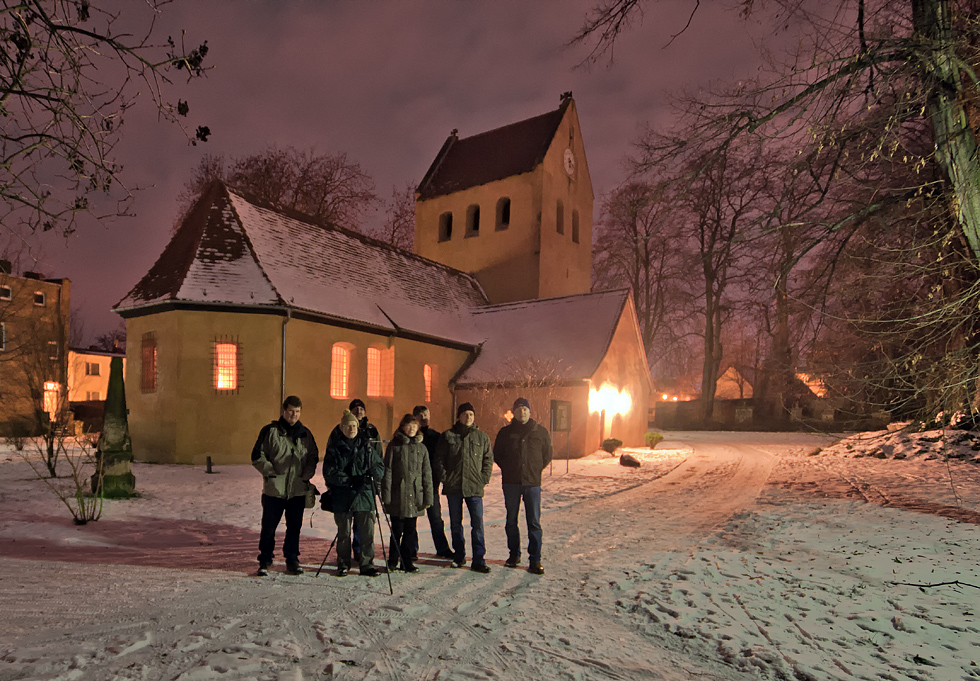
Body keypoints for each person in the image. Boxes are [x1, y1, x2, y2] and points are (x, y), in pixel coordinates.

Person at [251, 395, 319, 576]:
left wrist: (306, 475)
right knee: (269, 527)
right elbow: (257, 456)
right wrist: (270, 472)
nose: (293, 415)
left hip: (297, 490)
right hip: (275, 489)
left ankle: (292, 559)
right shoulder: (270, 431)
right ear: (283, 411)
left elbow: (312, 457)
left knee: (294, 527)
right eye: (290, 411)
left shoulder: (306, 434)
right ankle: (265, 560)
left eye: (297, 411)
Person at [493, 396, 552, 575]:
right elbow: (498, 455)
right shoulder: (505, 433)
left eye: (525, 409)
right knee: (511, 520)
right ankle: (514, 555)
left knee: (533, 522)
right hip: (511, 483)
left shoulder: (540, 432)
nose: (522, 412)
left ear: (529, 411)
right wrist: (510, 468)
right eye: (518, 410)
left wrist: (534, 469)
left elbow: (547, 454)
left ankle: (535, 559)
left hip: (532, 483)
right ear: (514, 413)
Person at [323, 409, 385, 577]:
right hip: (343, 496)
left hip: (364, 496)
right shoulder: (335, 448)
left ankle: (367, 564)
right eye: (347, 426)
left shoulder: (367, 447)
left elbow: (379, 467)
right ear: (342, 428)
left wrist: (370, 476)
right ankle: (343, 564)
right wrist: (349, 480)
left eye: (353, 425)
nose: (351, 429)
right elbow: (329, 472)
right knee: (343, 533)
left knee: (367, 533)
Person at [434, 402, 493, 573]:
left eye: (471, 414)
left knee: (477, 524)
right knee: (455, 523)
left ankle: (478, 559)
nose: (468, 417)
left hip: (474, 487)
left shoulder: (482, 437)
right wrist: (445, 478)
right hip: (454, 487)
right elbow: (439, 459)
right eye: (465, 414)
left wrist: (483, 478)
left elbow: (488, 459)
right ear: (458, 417)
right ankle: (459, 555)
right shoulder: (448, 436)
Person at [381, 413, 434, 572]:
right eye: (408, 425)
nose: (411, 429)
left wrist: (428, 496)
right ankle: (392, 560)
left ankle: (406, 561)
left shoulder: (422, 448)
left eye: (414, 426)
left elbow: (427, 474)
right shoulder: (395, 446)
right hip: (398, 494)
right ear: (402, 427)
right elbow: (388, 471)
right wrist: (387, 496)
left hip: (415, 495)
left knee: (410, 531)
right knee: (396, 530)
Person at [413, 404, 453, 560]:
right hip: (414, 483)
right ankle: (411, 549)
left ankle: (442, 548)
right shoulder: (410, 435)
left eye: (426, 415)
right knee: (411, 519)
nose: (424, 418)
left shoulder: (436, 436)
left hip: (431, 483)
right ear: (415, 418)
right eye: (420, 415)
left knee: (436, 517)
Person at [348, 398, 379, 561]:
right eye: (355, 409)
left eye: (361, 409)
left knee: (365, 520)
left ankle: (361, 551)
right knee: (348, 520)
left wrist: (376, 479)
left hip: (366, 483)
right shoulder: (344, 428)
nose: (358, 411)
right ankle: (347, 553)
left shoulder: (371, 430)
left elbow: (378, 454)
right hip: (349, 482)